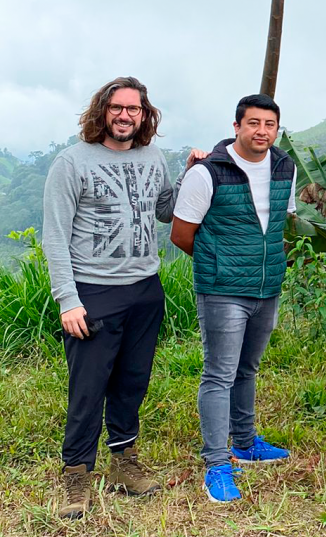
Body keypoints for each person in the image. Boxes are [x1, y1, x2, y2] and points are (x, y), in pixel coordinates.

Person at [43, 77, 204, 519]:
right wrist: (67, 299)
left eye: (133, 109)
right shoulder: (71, 162)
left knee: (132, 382)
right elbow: (54, 237)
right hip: (92, 291)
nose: (125, 116)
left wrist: (191, 172)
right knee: (88, 389)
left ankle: (123, 464)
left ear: (144, 115)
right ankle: (76, 474)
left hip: (144, 288)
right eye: (117, 107)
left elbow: (165, 210)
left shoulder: (151, 156)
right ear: (102, 111)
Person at [170, 94, 297, 502]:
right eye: (254, 123)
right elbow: (181, 233)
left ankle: (244, 442)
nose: (262, 131)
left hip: (267, 287)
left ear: (277, 129)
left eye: (270, 124)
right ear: (237, 126)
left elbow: (280, 223)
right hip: (223, 290)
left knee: (248, 368)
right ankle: (217, 464)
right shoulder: (208, 173)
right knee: (219, 374)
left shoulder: (284, 167)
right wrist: (221, 263)